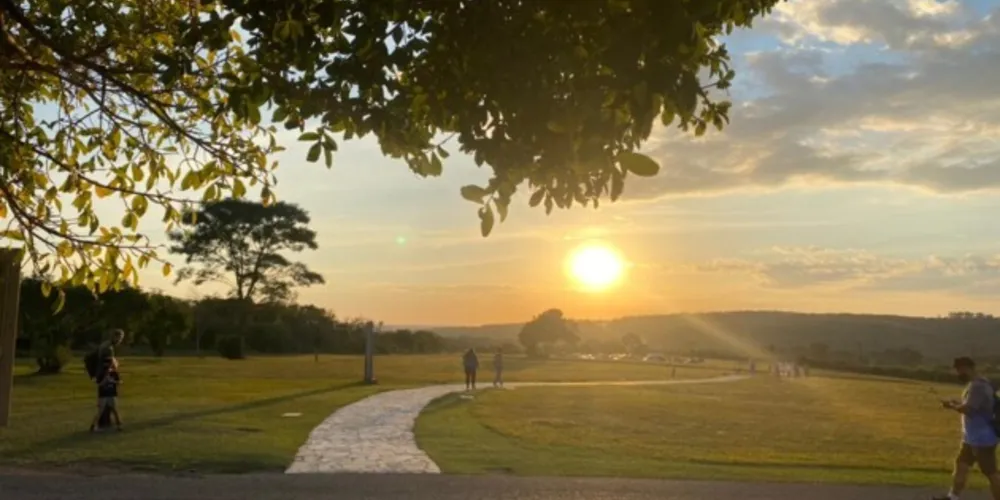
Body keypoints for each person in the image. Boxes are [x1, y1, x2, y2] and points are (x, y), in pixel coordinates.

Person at [934, 357, 1000, 500]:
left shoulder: (977, 386)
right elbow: (975, 406)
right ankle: (953, 497)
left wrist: (951, 406)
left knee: (991, 473)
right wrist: (957, 403)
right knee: (961, 465)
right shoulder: (982, 383)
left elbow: (969, 409)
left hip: (982, 439)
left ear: (966, 368)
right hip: (972, 438)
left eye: (959, 370)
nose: (958, 373)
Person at [90, 360, 123, 432]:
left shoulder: (114, 373)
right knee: (100, 411)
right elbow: (99, 384)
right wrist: (105, 380)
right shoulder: (101, 374)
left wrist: (113, 381)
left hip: (112, 394)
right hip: (103, 395)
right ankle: (93, 426)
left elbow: (119, 382)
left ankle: (119, 425)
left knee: (115, 410)